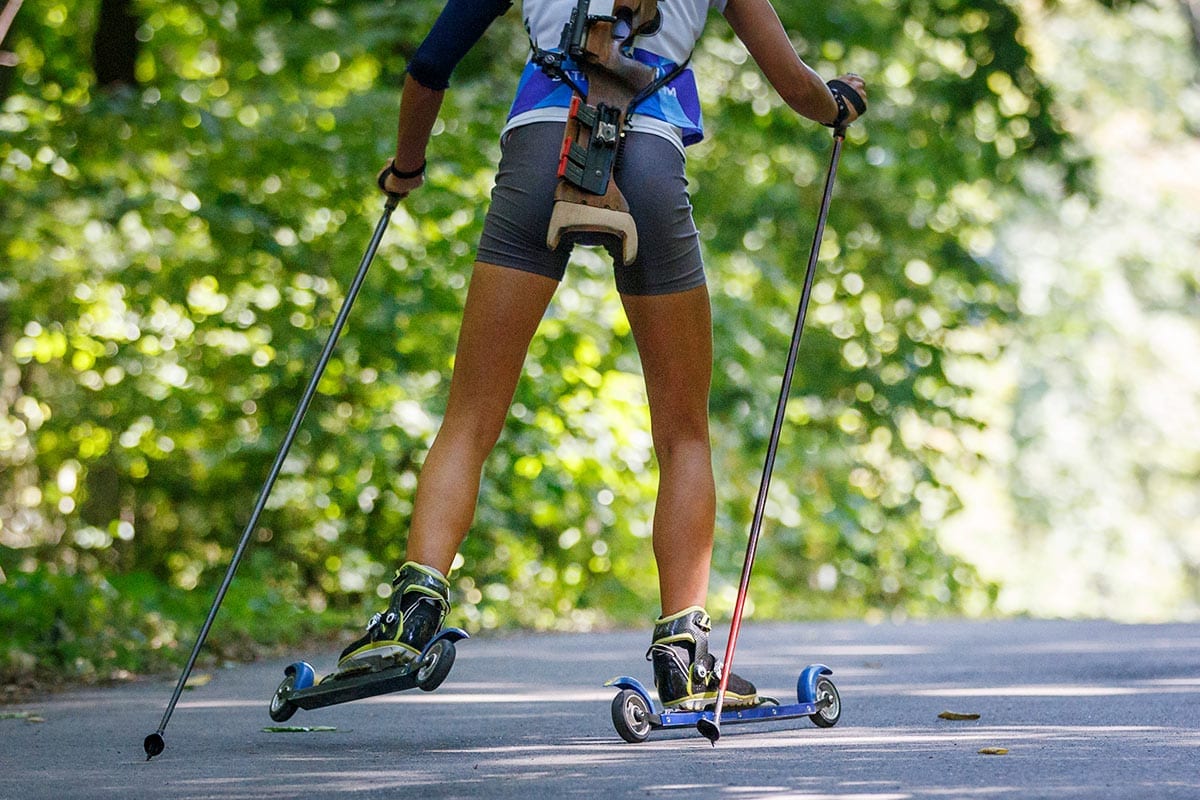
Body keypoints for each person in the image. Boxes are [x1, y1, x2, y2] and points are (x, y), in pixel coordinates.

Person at [339, 0, 866, 711]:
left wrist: (406, 168)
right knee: (683, 432)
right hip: (648, 160)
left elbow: (430, 65)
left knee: (470, 415)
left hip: (539, 155)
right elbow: (794, 86)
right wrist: (834, 104)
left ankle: (413, 611)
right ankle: (683, 651)